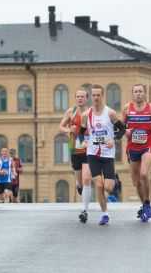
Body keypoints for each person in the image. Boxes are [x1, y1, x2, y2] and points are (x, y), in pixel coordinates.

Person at [80, 84, 126, 225]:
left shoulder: (110, 113)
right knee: (99, 185)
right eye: (93, 95)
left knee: (108, 187)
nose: (95, 98)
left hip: (107, 155)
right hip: (93, 154)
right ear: (91, 97)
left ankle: (114, 181)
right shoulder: (86, 115)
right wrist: (85, 141)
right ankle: (105, 214)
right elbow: (81, 132)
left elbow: (122, 129)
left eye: (98, 95)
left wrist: (114, 139)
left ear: (102, 96)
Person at [122, 84, 151, 222]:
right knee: (136, 181)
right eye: (136, 91)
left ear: (145, 93)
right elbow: (122, 126)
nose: (138, 94)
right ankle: (143, 203)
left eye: (140, 91)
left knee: (144, 173)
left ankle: (147, 203)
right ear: (132, 94)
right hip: (132, 147)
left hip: (148, 146)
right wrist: (125, 131)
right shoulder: (127, 109)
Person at [59, 89, 92, 222]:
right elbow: (60, 126)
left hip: (88, 149)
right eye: (77, 96)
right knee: (80, 181)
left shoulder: (91, 112)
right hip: (75, 149)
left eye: (82, 97)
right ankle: (79, 185)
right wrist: (69, 129)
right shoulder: (70, 112)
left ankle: (85, 210)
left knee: (87, 179)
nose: (80, 99)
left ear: (86, 98)